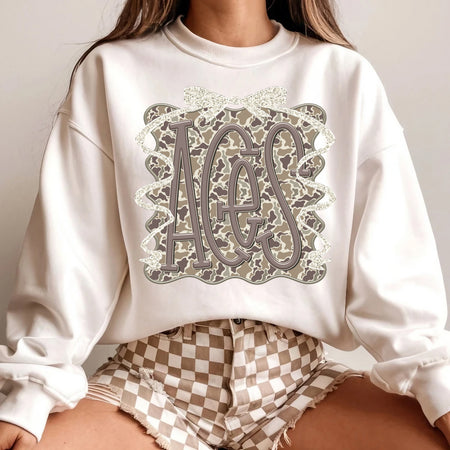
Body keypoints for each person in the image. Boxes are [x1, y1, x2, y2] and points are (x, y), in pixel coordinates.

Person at [0, 0, 449, 448]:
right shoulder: (111, 72)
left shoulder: (344, 76)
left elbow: (394, 267)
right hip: (148, 386)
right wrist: (30, 390)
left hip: (299, 386)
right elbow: (72, 253)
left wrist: (440, 387)